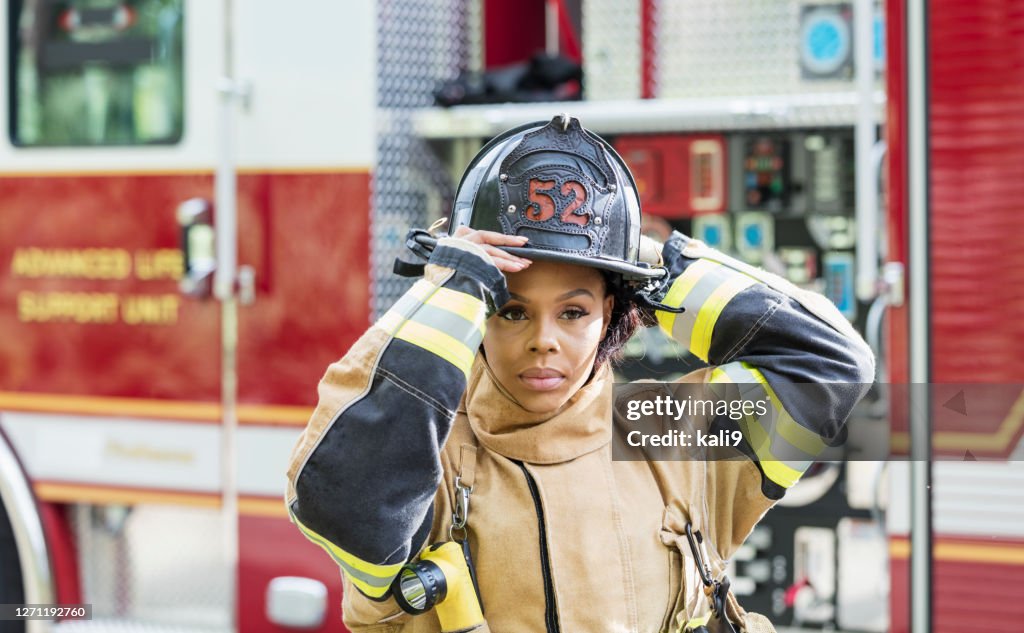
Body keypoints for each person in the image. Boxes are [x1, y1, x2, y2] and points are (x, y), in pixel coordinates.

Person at [285, 116, 875, 633]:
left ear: (611, 315)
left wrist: (651, 264)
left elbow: (831, 364)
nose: (544, 339)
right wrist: (454, 288)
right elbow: (337, 501)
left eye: (574, 311)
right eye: (510, 310)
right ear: (476, 317)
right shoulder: (425, 462)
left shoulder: (669, 432)